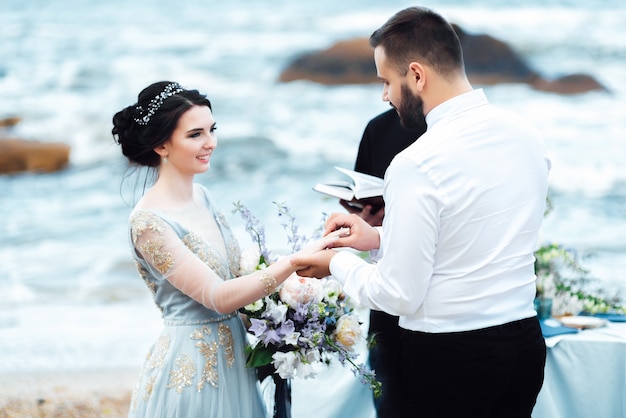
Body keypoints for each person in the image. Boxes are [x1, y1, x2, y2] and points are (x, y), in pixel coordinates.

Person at [294, 7, 551, 418]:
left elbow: (398, 294)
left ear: (416, 75)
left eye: (386, 82)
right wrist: (377, 237)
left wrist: (337, 262)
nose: (384, 96)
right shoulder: (526, 134)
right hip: (523, 347)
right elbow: (471, 233)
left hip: (450, 359)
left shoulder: (418, 163)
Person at [112, 81, 339, 418]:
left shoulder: (204, 196)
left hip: (236, 361)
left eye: (212, 130)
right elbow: (217, 296)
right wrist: (293, 262)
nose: (211, 143)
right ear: (161, 145)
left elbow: (237, 279)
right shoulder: (148, 223)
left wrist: (287, 321)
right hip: (192, 370)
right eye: (195, 135)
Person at [340, 108, 426, 418]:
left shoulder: (455, 134)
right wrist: (368, 221)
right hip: (387, 300)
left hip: (441, 304)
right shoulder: (377, 128)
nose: (384, 94)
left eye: (387, 82)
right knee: (390, 404)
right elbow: (364, 193)